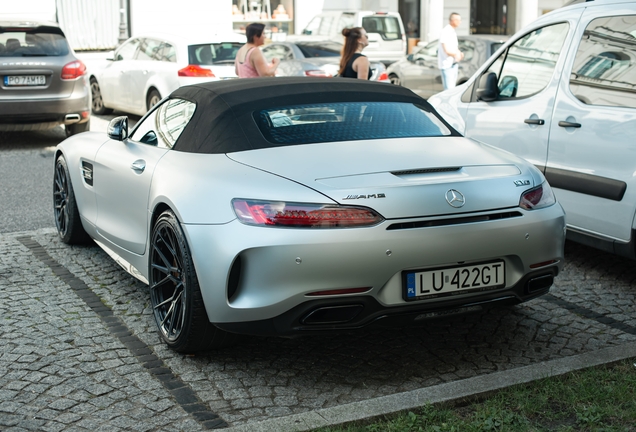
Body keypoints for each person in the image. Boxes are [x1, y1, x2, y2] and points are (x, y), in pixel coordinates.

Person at [438, 12, 464, 90]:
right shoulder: (446, 31)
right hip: (447, 65)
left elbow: (454, 47)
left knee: (452, 89)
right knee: (449, 90)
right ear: (453, 20)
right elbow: (446, 50)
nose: (460, 22)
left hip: (453, 64)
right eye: (458, 20)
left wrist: (460, 53)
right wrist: (456, 55)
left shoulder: (452, 32)